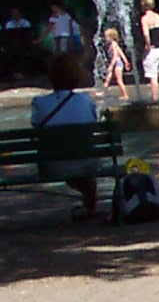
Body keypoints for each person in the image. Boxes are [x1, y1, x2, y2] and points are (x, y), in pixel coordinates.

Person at [31, 54, 101, 219]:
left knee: (68, 162)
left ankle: (87, 208)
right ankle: (90, 209)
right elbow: (92, 123)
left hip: (53, 164)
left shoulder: (39, 103)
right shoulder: (85, 100)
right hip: (86, 162)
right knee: (83, 168)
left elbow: (36, 126)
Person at [100, 27, 131, 101]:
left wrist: (111, 66)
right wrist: (126, 62)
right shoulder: (113, 44)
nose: (105, 38)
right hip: (115, 63)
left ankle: (125, 95)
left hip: (117, 64)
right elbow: (121, 52)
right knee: (108, 79)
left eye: (106, 37)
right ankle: (103, 92)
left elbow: (115, 56)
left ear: (111, 37)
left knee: (119, 80)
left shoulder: (113, 44)